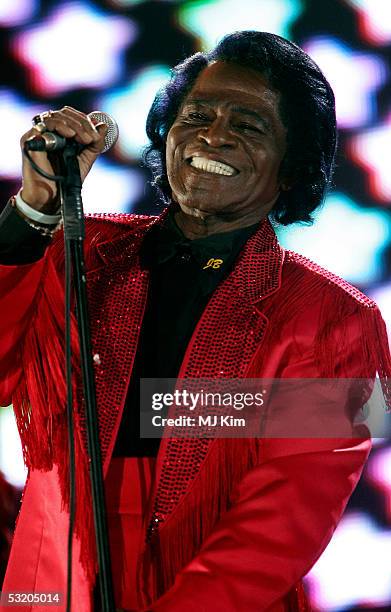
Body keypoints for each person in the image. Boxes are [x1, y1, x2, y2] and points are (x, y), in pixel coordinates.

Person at [0, 30, 390, 612]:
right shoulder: (79, 251)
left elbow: (285, 517)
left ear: (292, 168)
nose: (213, 135)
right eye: (197, 115)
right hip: (50, 581)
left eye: (249, 125)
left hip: (213, 585)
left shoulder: (339, 320)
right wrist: (36, 207)